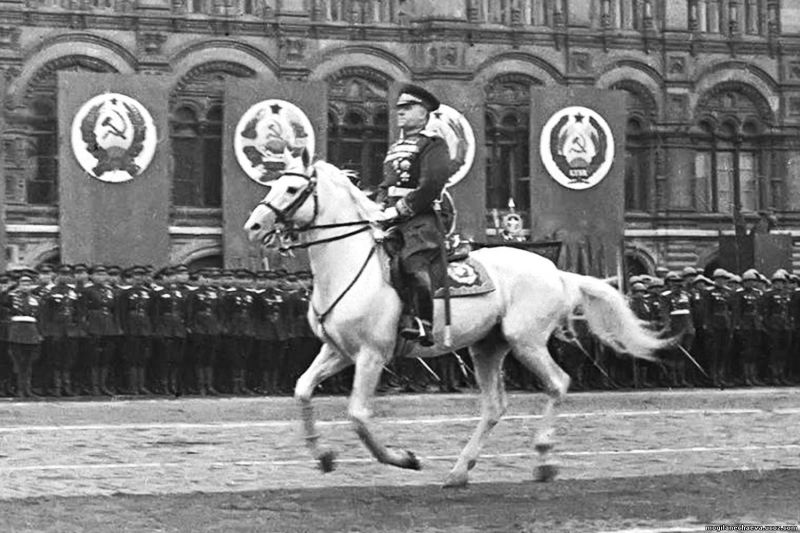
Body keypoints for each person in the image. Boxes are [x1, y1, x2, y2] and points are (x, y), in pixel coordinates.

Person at [375, 83, 452, 346]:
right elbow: (386, 183)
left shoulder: (433, 144)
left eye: (408, 108)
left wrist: (400, 209)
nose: (401, 112)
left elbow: (431, 185)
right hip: (392, 218)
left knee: (413, 261)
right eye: (399, 108)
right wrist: (379, 206)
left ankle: (423, 322)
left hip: (421, 219)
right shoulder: (396, 147)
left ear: (424, 112)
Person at [40, 265, 83, 396]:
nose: (65, 276)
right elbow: (45, 314)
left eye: (68, 274)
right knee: (55, 359)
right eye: (62, 274)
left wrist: (78, 327)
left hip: (70, 330)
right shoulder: (51, 292)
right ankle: (56, 387)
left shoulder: (74, 292)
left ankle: (67, 385)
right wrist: (46, 330)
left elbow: (79, 312)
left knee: (69, 359)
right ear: (57, 276)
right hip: (56, 330)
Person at [80, 265, 120, 395]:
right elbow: (83, 310)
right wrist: (85, 326)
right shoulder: (87, 291)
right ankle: (93, 385)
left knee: (106, 357)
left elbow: (115, 310)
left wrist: (116, 326)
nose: (101, 277)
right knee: (93, 357)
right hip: (94, 325)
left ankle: (103, 385)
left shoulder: (110, 291)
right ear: (91, 276)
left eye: (104, 274)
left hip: (108, 326)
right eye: (98, 274)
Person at [5, 271, 43, 398]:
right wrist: (10, 288)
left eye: (28, 283)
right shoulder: (11, 297)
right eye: (23, 283)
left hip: (31, 331)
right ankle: (19, 388)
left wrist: (39, 333)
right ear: (19, 284)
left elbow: (40, 316)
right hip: (16, 331)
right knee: (18, 362)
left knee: (28, 363)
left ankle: (27, 388)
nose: (25, 285)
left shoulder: (36, 299)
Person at [119, 266, 154, 395]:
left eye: (141, 276)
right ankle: (132, 386)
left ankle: (141, 385)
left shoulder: (149, 293)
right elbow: (122, 312)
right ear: (132, 278)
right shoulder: (126, 293)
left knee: (143, 358)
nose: (139, 279)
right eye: (136, 276)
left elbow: (152, 312)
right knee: (132, 358)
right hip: (131, 327)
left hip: (144, 327)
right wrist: (123, 327)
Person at [731, 269, 765, 387]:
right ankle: (746, 376)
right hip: (745, 325)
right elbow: (737, 311)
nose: (750, 283)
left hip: (756, 325)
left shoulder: (758, 293)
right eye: (747, 281)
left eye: (752, 281)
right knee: (746, 352)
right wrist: (738, 325)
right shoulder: (739, 294)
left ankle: (753, 376)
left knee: (754, 351)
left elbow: (760, 310)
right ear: (743, 282)